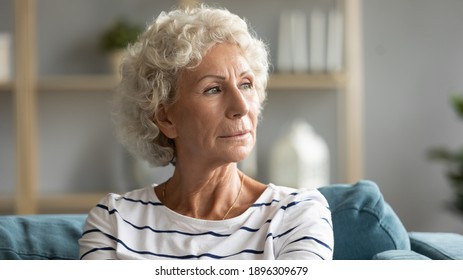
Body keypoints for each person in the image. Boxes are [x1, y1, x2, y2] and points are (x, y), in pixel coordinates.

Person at [79, 5, 333, 260]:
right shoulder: (114, 221)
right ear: (166, 117)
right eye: (213, 89)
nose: (241, 107)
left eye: (246, 84)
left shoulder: (297, 214)